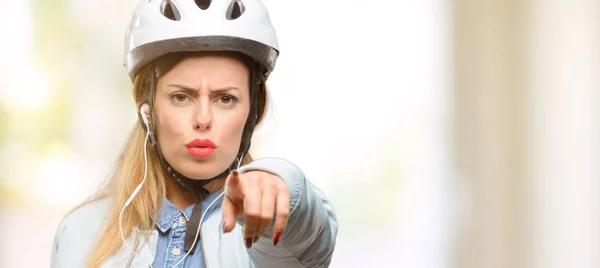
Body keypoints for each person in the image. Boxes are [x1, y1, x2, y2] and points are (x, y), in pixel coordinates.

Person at [50, 0, 338, 267]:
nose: (203, 119)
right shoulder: (79, 232)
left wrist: (281, 185)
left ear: (253, 110)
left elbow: (310, 231)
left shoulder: (271, 236)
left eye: (225, 98)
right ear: (147, 108)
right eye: (181, 97)